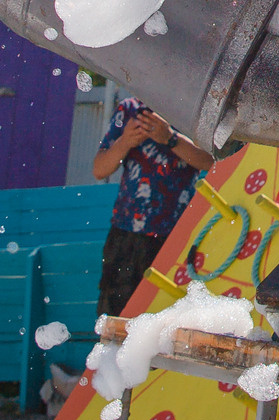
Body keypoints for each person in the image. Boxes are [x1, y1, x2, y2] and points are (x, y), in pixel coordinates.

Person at [90, 96, 214, 318]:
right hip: (126, 235)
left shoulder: (193, 109)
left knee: (167, 316)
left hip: (175, 239)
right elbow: (100, 169)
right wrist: (125, 141)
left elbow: (211, 162)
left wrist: (170, 138)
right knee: (115, 316)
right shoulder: (131, 109)